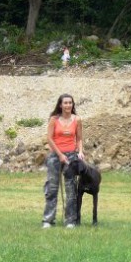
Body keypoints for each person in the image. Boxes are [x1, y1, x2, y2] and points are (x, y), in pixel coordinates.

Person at [42, 94, 84, 228]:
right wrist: (60, 155)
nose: (68, 105)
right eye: (65, 103)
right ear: (60, 105)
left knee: (71, 189)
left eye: (70, 103)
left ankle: (70, 220)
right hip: (55, 156)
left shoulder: (77, 120)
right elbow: (49, 139)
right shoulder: (54, 120)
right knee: (52, 188)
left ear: (73, 105)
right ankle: (48, 220)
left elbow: (79, 139)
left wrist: (80, 151)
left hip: (71, 156)